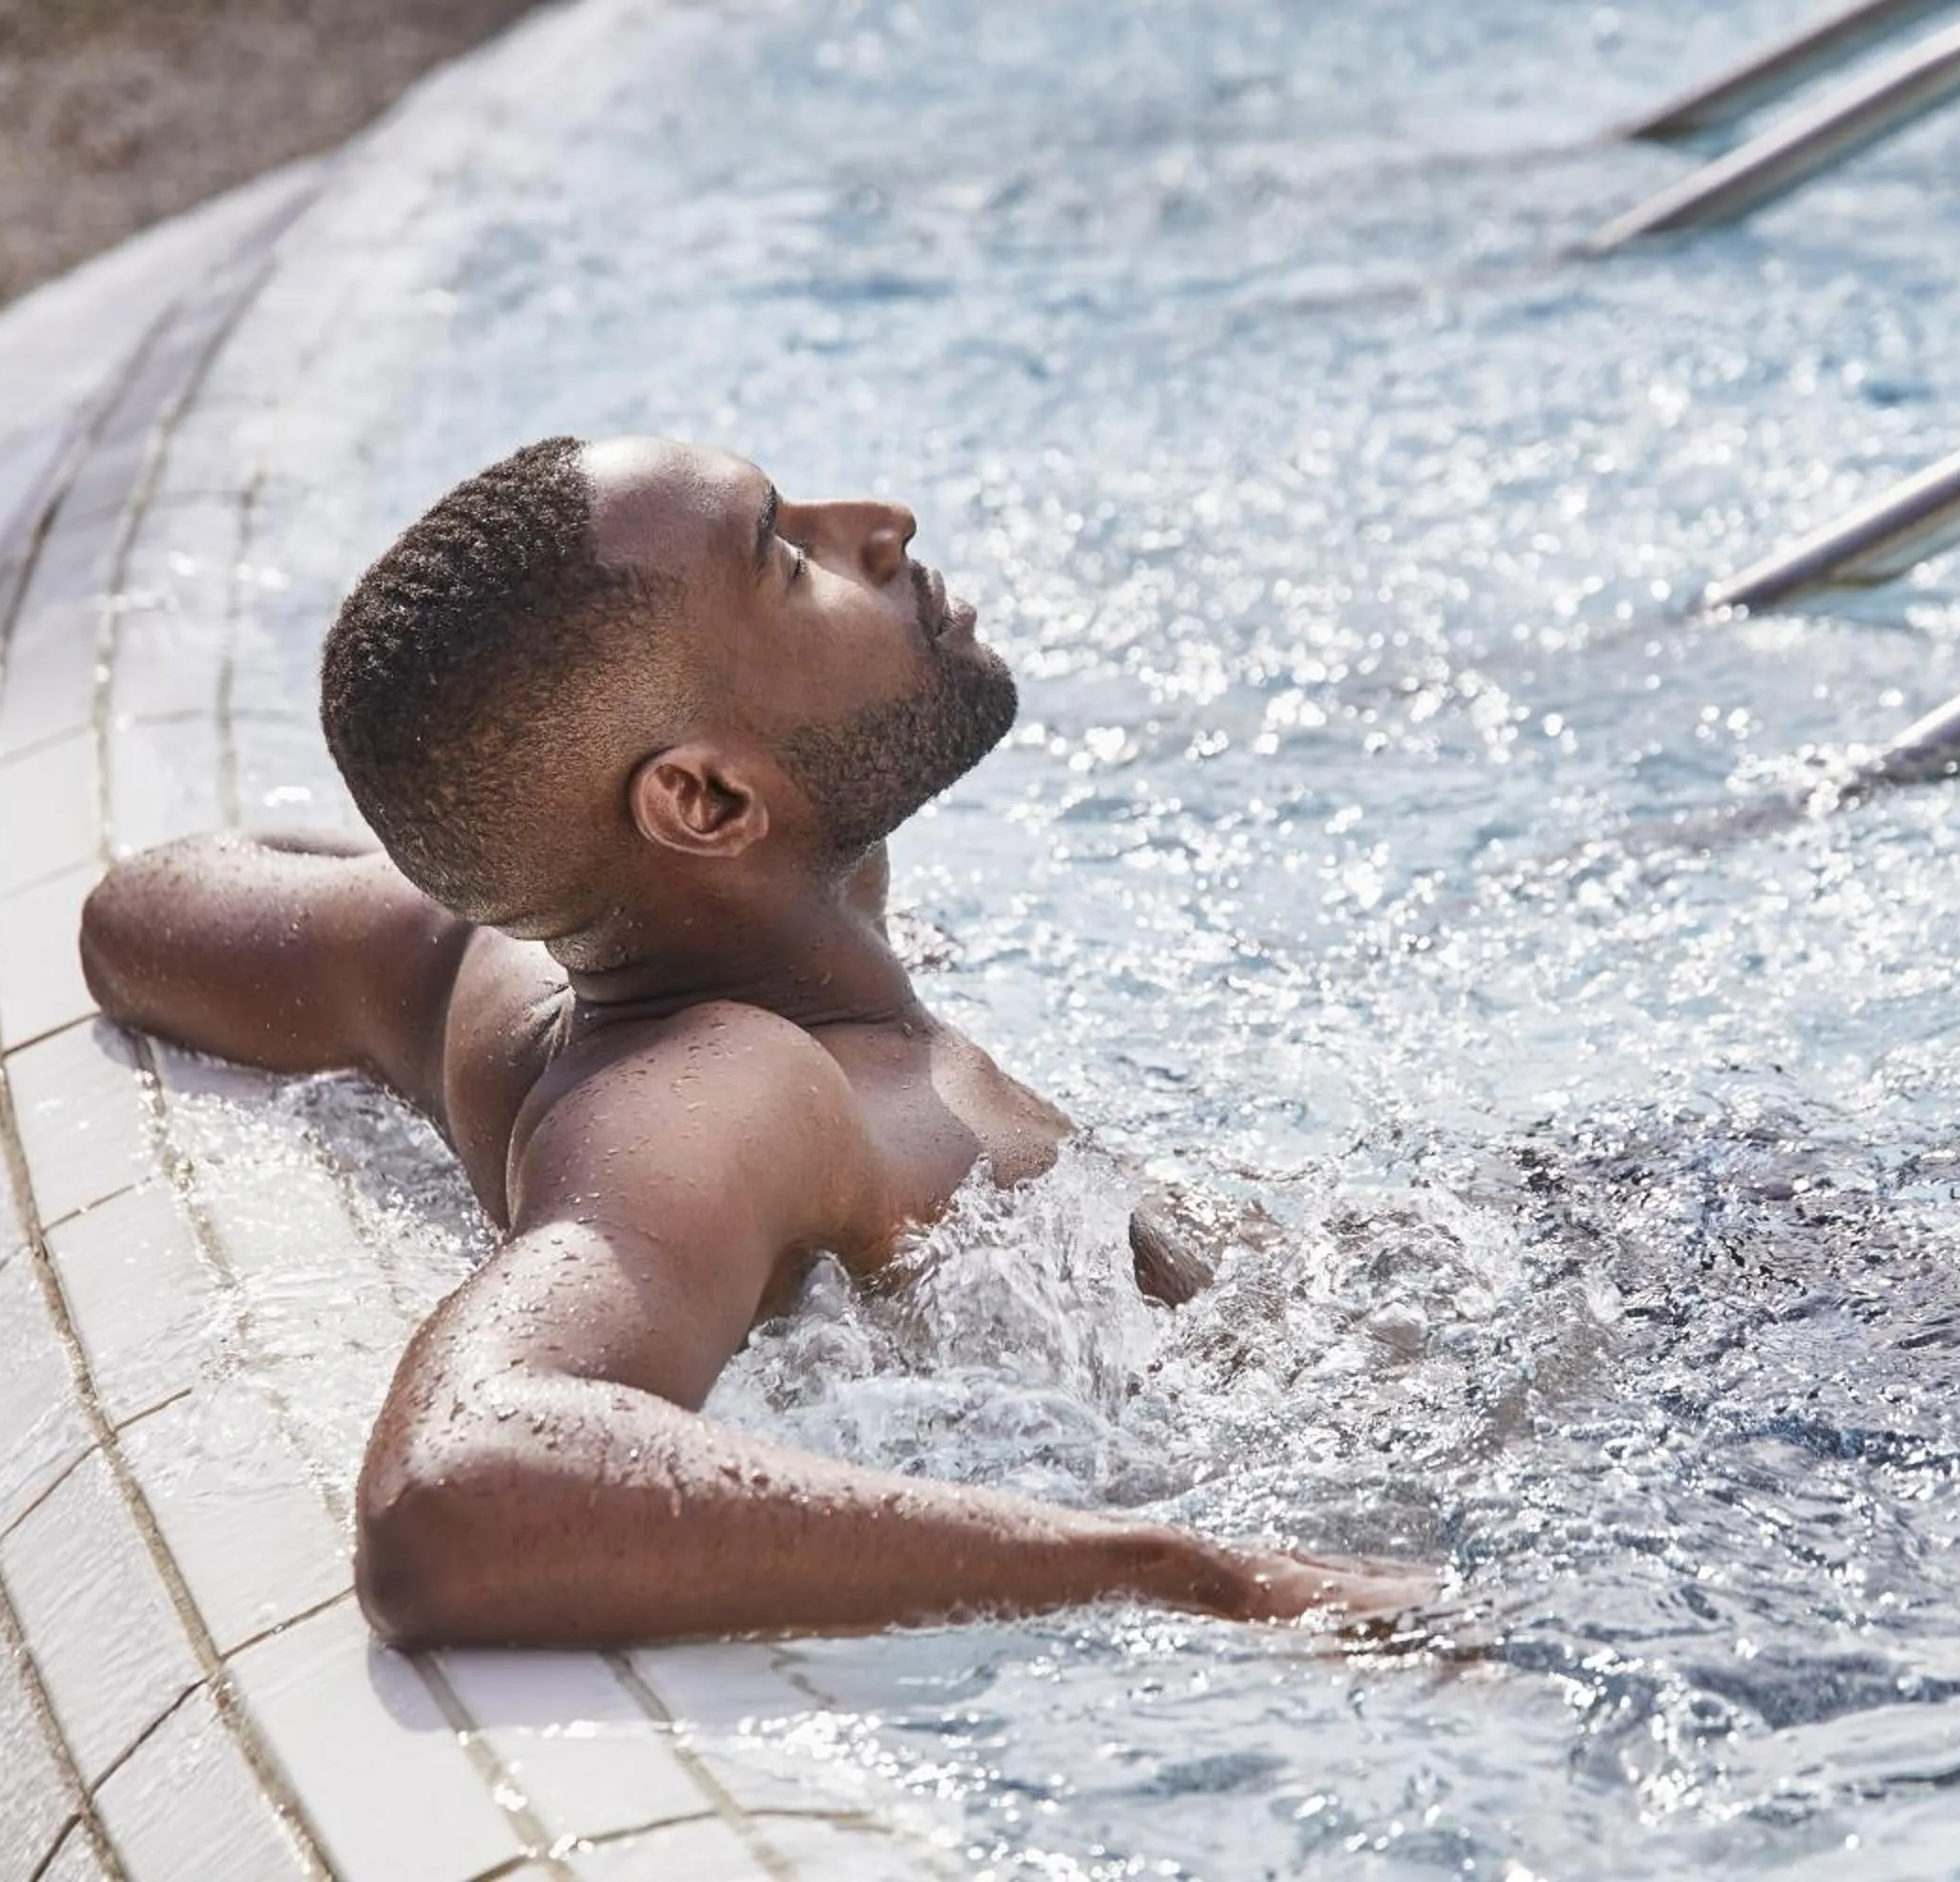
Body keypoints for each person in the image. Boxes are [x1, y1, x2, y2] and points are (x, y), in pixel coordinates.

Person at [78, 435, 1438, 1647]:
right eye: (788, 557)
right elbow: (455, 1490)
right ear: (709, 800)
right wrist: (1173, 1570)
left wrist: (494, 838)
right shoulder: (731, 1088)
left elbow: (139, 912)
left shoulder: (500, 964)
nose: (883, 523)